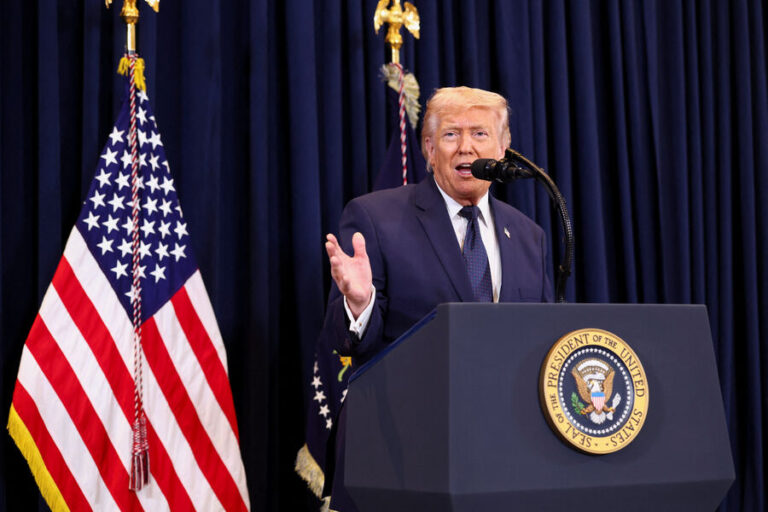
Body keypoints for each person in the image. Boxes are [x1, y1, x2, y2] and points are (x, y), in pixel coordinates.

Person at [318, 86, 553, 511]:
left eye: (480, 133)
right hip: (402, 457)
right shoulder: (376, 217)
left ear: (503, 148)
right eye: (450, 134)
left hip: (501, 457)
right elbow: (346, 341)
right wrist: (360, 303)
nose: (466, 147)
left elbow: (542, 343)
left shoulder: (528, 237)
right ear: (428, 148)